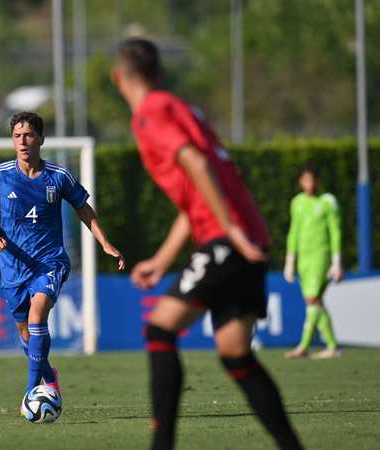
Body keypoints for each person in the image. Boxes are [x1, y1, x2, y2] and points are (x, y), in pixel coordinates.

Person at [113, 38, 303, 450]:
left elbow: (197, 165)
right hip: (247, 238)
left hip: (228, 239)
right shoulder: (183, 110)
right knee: (236, 354)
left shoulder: (149, 115)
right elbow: (199, 187)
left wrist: (229, 230)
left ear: (118, 77)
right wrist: (163, 260)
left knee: (159, 329)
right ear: (159, 74)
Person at [0, 111, 124, 415]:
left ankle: (31, 390)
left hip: (50, 261)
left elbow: (84, 209)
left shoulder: (58, 176)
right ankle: (49, 375)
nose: (22, 141)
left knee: (38, 316)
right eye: (17, 136)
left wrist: (104, 243)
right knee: (25, 332)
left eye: (28, 135)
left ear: (40, 139)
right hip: (13, 267)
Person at [283, 164, 342, 359]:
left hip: (320, 255)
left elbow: (335, 232)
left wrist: (336, 262)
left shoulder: (327, 202)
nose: (309, 184)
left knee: (311, 300)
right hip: (303, 258)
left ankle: (303, 345)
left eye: (312, 180)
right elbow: (293, 232)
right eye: (305, 180)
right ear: (301, 181)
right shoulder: (297, 202)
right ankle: (332, 346)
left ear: (317, 181)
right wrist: (290, 261)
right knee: (315, 301)